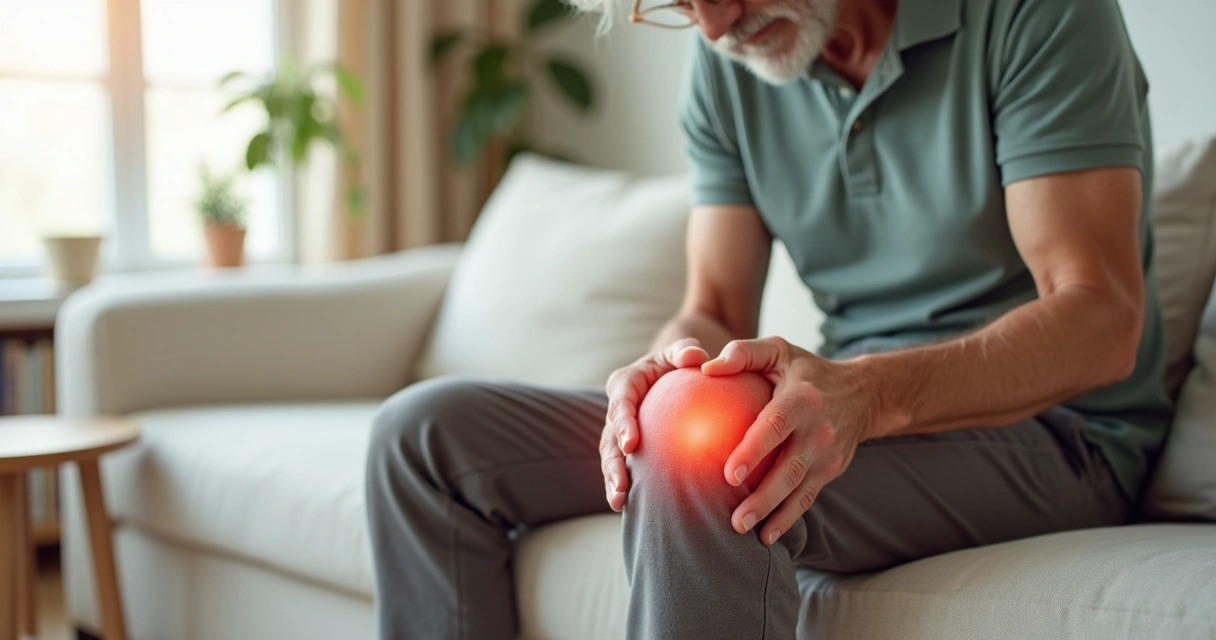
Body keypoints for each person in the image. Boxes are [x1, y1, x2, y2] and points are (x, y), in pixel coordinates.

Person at [365, 0, 1173, 637]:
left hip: (1059, 438)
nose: (715, 26)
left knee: (715, 449)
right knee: (425, 438)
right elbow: (713, 305)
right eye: (679, 4)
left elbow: (1098, 320)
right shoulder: (730, 66)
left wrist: (867, 394)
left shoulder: (1037, 13)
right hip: (846, 408)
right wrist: (662, 374)